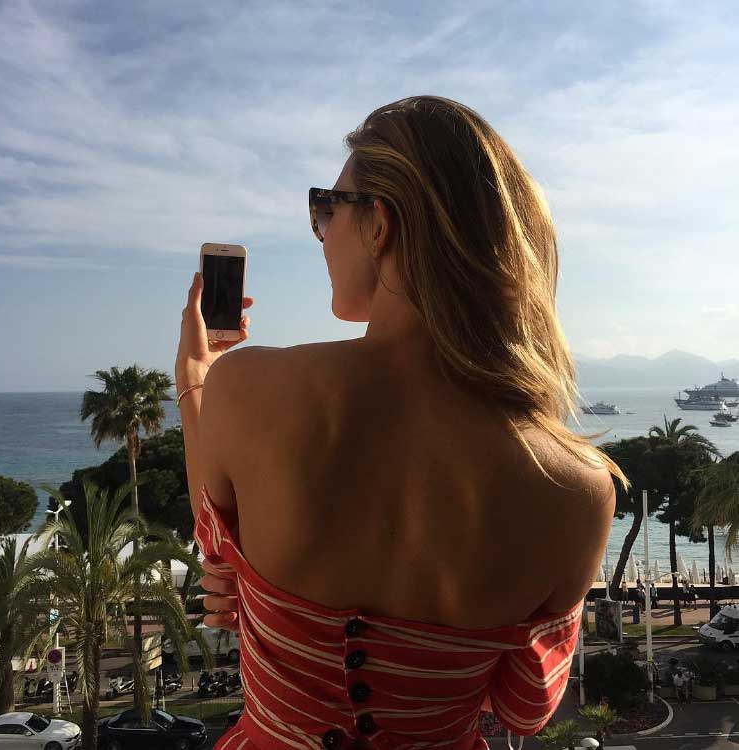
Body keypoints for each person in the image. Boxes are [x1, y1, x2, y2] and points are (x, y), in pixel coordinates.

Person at [175, 95, 626, 750]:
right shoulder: (579, 489)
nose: (322, 234)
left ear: (380, 224)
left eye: (327, 209)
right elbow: (524, 706)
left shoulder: (248, 388)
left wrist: (195, 374)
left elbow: (217, 545)